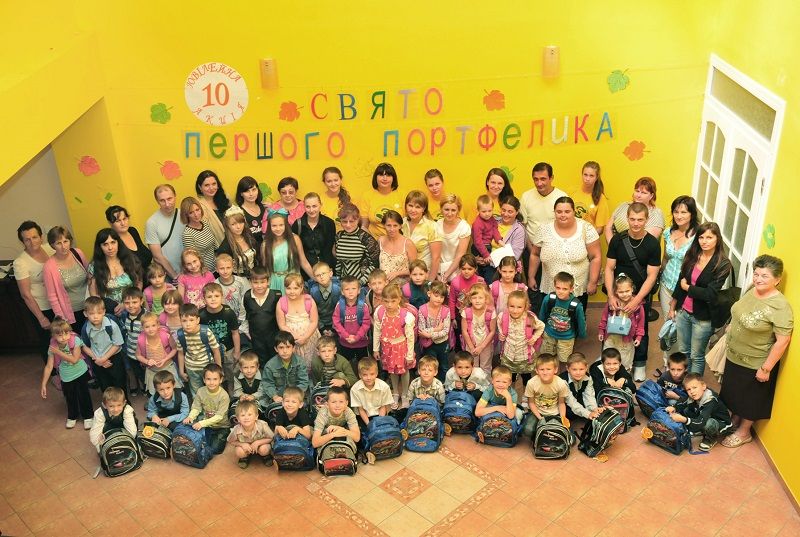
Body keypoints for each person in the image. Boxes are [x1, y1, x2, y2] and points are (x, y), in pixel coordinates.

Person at [720, 255, 793, 448]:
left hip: (755, 362)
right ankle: (735, 420)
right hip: (735, 355)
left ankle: (744, 432)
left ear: (777, 279)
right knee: (734, 393)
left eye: (764, 276)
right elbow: (740, 312)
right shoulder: (752, 290)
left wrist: (766, 368)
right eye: (756, 274)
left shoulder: (780, 306)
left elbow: (783, 340)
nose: (758, 279)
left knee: (750, 399)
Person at [604, 202, 661, 381]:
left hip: (640, 294)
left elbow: (652, 275)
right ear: (627, 218)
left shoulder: (652, 244)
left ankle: (639, 363)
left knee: (640, 327)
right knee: (612, 324)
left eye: (640, 220)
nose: (636, 223)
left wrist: (637, 300)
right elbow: (609, 268)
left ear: (647, 220)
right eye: (632, 219)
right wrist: (611, 295)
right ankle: (609, 358)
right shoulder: (617, 240)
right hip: (618, 292)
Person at [668, 222, 732, 374]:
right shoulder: (692, 255)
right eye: (701, 237)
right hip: (683, 312)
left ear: (717, 239)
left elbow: (709, 294)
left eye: (709, 237)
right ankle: (684, 382)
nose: (704, 241)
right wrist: (672, 307)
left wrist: (687, 288)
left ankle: (694, 385)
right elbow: (680, 280)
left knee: (696, 355)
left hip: (703, 317)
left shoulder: (723, 264)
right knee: (684, 351)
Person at [528, 196, 601, 313]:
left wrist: (592, 282)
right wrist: (531, 277)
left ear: (574, 211)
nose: (563, 215)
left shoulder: (586, 228)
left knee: (576, 319)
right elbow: (535, 254)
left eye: (567, 211)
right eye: (559, 212)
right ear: (554, 212)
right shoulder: (544, 229)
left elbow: (595, 257)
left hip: (577, 288)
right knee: (550, 318)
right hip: (550, 287)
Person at [659, 196, 698, 363]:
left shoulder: (698, 236)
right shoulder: (668, 232)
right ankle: (668, 363)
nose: (679, 216)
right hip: (666, 284)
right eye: (676, 212)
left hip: (685, 289)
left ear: (692, 214)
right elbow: (666, 257)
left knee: (682, 327)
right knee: (669, 324)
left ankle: (682, 364)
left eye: (684, 212)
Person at [40, 318, 93, 429]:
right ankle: (72, 416)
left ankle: (88, 416)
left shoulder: (75, 340)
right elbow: (49, 366)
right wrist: (43, 384)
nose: (64, 337)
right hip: (66, 376)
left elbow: (74, 359)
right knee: (69, 396)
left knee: (83, 395)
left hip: (80, 372)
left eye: (66, 333)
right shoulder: (53, 346)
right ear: (54, 336)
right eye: (60, 335)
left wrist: (58, 352)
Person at [14, 221, 54, 362]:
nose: (32, 242)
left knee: (65, 339)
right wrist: (41, 318)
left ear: (41, 237)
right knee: (49, 343)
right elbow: (25, 294)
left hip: (58, 302)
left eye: (35, 237)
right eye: (27, 239)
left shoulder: (50, 249)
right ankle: (52, 371)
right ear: (23, 242)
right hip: (42, 308)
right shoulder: (21, 262)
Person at [373, 284, 416, 409]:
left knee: (404, 371)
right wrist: (376, 348)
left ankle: (405, 394)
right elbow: (377, 330)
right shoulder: (380, 312)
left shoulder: (406, 316)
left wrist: (409, 355)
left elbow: (410, 337)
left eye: (393, 301)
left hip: (401, 347)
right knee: (392, 370)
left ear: (399, 299)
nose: (389, 304)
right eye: (386, 301)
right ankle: (396, 393)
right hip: (387, 348)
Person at [667, 373, 733, 451]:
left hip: (722, 424)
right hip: (705, 417)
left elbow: (701, 421)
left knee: (709, 424)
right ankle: (699, 430)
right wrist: (674, 407)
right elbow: (683, 402)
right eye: (688, 389)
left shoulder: (710, 400)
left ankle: (710, 438)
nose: (692, 391)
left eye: (694, 387)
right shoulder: (694, 395)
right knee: (687, 410)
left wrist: (684, 420)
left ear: (703, 386)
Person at [43, 226, 89, 333]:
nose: (63, 246)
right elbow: (52, 297)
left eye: (65, 241)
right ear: (52, 245)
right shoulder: (49, 266)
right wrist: (62, 320)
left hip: (90, 307)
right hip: (72, 313)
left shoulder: (78, 253)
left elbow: (91, 276)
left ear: (70, 241)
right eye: (58, 243)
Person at [88, 228, 142, 315]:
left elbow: (138, 283)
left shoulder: (131, 259)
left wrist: (125, 304)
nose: (110, 248)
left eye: (113, 242)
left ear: (118, 243)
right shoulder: (94, 266)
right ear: (100, 247)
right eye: (105, 244)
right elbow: (94, 294)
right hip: (109, 311)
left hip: (132, 307)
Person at [538, 272, 587, 366]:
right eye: (558, 288)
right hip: (549, 334)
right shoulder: (549, 299)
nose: (561, 291)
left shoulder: (576, 305)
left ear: (571, 289)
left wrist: (582, 335)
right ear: (554, 286)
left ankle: (562, 374)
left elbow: (581, 322)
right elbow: (542, 315)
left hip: (566, 337)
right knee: (546, 358)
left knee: (564, 361)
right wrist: (540, 330)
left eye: (565, 289)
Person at [260, 209, 314, 294]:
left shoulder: (295, 239)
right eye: (274, 226)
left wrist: (315, 278)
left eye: (281, 225)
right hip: (274, 282)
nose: (278, 228)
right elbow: (265, 268)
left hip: (293, 280)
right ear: (269, 226)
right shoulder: (265, 245)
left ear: (286, 225)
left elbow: (303, 262)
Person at [81, 296, 127, 397]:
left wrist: (104, 359)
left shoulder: (112, 325)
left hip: (114, 358)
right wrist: (98, 359)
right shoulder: (86, 328)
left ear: (104, 312)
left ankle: (124, 404)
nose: (95, 317)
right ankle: (108, 404)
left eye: (99, 313)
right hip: (97, 360)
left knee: (120, 383)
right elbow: (84, 346)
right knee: (105, 385)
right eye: (91, 314)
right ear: (85, 314)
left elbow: (117, 344)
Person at [496, 290, 544, 385]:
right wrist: (501, 333)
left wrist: (534, 338)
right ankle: (511, 390)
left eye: (519, 307)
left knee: (526, 377)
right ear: (507, 305)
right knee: (511, 377)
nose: (515, 310)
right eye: (512, 306)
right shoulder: (503, 316)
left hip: (525, 355)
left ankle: (526, 392)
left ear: (525, 307)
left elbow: (541, 326)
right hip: (509, 354)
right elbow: (499, 323)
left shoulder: (530, 318)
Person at [598, 274, 645, 371]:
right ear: (615, 291)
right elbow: (604, 318)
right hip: (610, 338)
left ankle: (624, 374)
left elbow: (641, 323)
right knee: (608, 356)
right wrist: (601, 331)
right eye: (621, 292)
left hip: (626, 340)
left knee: (625, 360)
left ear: (632, 289)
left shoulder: (638, 306)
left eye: (627, 291)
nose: (624, 294)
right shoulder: (612, 303)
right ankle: (607, 374)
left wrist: (639, 337)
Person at [182, 363, 230, 454]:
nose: (211, 382)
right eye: (208, 379)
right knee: (199, 443)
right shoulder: (201, 391)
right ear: (204, 379)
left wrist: (201, 423)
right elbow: (196, 407)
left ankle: (225, 435)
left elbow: (219, 417)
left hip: (221, 426)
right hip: (207, 425)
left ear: (220, 380)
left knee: (215, 449)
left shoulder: (224, 396)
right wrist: (190, 417)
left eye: (215, 379)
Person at [176, 303, 222, 397]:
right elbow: (180, 354)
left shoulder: (206, 332)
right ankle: (199, 406)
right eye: (184, 321)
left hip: (208, 366)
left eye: (191, 320)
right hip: (191, 368)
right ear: (180, 321)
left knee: (212, 389)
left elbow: (216, 351)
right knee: (196, 392)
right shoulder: (181, 335)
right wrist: (181, 371)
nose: (188, 324)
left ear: (197, 320)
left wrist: (219, 369)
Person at [277, 274, 321, 371]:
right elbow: (281, 324)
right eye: (288, 288)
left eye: (295, 288)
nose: (292, 291)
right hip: (292, 339)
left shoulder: (308, 300)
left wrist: (305, 337)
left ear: (301, 288)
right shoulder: (281, 302)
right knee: (296, 364)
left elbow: (314, 321)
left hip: (310, 337)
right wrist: (294, 336)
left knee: (312, 361)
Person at [200, 282, 241, 387]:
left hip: (229, 350)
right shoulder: (201, 315)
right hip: (211, 351)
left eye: (216, 296)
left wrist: (237, 351)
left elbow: (235, 333)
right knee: (214, 376)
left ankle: (232, 394)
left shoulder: (229, 312)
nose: (213, 299)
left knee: (232, 375)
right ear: (204, 299)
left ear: (222, 297)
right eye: (209, 297)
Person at [519, 162, 567, 250]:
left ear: (551, 178)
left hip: (556, 248)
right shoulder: (526, 197)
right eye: (536, 179)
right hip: (530, 247)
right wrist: (531, 250)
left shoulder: (562, 197)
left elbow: (567, 226)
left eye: (543, 179)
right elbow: (522, 226)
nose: (539, 183)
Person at [145, 184, 186, 281]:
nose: (167, 204)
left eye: (169, 199)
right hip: (167, 276)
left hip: (189, 270)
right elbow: (157, 256)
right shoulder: (152, 222)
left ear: (175, 196)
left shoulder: (184, 215)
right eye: (162, 200)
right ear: (157, 201)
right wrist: (175, 277)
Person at [605, 177, 665, 242]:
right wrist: (612, 245)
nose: (638, 195)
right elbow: (608, 228)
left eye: (643, 193)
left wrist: (620, 247)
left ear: (651, 195)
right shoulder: (623, 206)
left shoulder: (656, 213)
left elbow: (647, 240)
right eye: (637, 191)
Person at [136, 312, 182, 397]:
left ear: (158, 325)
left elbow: (174, 349)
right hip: (152, 371)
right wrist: (147, 361)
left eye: (153, 325)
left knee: (174, 392)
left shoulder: (165, 335)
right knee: (156, 394)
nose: (150, 329)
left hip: (168, 368)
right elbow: (138, 355)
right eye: (147, 327)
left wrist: (165, 359)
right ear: (142, 328)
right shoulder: (141, 340)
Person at [242, 267, 280, 367]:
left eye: (262, 282)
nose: (259, 286)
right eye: (255, 282)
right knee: (261, 361)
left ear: (268, 281)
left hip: (273, 337)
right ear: (250, 282)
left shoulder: (276, 295)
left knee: (276, 361)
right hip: (256, 338)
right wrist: (248, 333)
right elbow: (245, 316)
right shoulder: (247, 296)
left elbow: (281, 316)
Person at [334, 203, 380, 285]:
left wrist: (360, 282)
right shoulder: (339, 236)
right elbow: (339, 262)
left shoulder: (366, 238)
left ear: (358, 220)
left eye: (351, 221)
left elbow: (374, 265)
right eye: (344, 221)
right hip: (344, 284)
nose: (348, 225)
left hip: (362, 284)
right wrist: (338, 280)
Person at [332, 276, 371, 370]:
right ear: (342, 291)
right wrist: (346, 336)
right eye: (347, 289)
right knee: (346, 364)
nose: (350, 292)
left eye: (353, 288)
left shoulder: (363, 306)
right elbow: (336, 322)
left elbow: (366, 324)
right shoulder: (339, 306)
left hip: (361, 343)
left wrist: (357, 337)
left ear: (358, 290)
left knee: (363, 365)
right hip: (345, 343)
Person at [524, 354, 570, 431]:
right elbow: (531, 403)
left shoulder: (561, 383)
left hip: (555, 413)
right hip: (537, 412)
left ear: (555, 370)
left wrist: (563, 418)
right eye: (542, 369)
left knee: (561, 431)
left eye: (548, 369)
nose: (545, 372)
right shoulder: (531, 383)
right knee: (527, 430)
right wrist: (540, 418)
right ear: (536, 370)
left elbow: (561, 403)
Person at [358, 162, 405, 237]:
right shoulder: (367, 195)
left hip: (396, 240)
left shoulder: (402, 195)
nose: (385, 178)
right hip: (374, 240)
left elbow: (406, 223)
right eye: (381, 175)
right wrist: (370, 242)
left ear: (393, 178)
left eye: (388, 175)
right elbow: (364, 226)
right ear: (375, 177)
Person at [262, 331, 310, 403]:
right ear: (276, 349)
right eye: (281, 347)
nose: (285, 351)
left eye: (288, 347)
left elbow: (303, 381)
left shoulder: (300, 362)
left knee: (304, 404)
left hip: (296, 397)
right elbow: (268, 383)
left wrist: (295, 396)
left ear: (293, 348)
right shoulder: (270, 365)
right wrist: (275, 396)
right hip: (279, 398)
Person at [292, 192, 336, 270]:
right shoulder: (298, 225)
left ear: (320, 205)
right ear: (304, 207)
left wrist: (325, 271)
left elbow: (328, 250)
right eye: (308, 207)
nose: (311, 210)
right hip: (305, 269)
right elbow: (296, 251)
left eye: (314, 206)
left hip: (325, 269)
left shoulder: (329, 223)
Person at [403, 190, 441, 279]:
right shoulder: (402, 223)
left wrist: (430, 281)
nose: (413, 210)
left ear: (424, 209)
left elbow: (436, 258)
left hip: (423, 275)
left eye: (418, 207)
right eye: (410, 205)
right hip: (404, 274)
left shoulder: (432, 226)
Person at [417, 280, 451, 380]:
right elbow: (421, 330)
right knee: (430, 365)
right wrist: (437, 329)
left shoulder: (446, 310)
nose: (439, 299)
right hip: (428, 345)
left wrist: (429, 335)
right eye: (436, 296)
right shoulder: (422, 309)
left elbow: (445, 331)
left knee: (443, 366)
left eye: (442, 297)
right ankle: (430, 384)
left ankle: (443, 385)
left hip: (442, 343)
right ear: (429, 294)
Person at [461, 283, 497, 377]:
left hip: (486, 344)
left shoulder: (491, 312)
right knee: (473, 366)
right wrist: (471, 347)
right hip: (471, 344)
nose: (477, 301)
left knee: (486, 367)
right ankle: (474, 383)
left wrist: (481, 347)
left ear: (486, 299)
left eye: (480, 298)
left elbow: (492, 331)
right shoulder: (466, 312)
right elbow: (464, 331)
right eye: (474, 298)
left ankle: (486, 384)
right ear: (470, 299)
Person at [311, 385, 360, 451]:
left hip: (342, 432)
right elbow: (314, 443)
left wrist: (340, 429)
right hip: (326, 433)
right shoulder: (323, 414)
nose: (337, 405)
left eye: (341, 402)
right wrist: (334, 434)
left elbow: (357, 437)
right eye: (333, 402)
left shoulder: (348, 412)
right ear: (327, 404)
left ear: (346, 403)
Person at [227, 399, 274, 468]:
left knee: (264, 449)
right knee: (239, 451)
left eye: (249, 414)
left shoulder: (262, 425)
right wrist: (242, 444)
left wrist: (258, 442)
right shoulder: (236, 429)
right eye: (243, 415)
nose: (246, 418)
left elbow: (271, 437)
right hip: (246, 447)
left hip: (260, 445)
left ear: (256, 416)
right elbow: (231, 441)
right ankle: (244, 458)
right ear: (238, 419)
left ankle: (266, 456)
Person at [105, 205, 152, 273]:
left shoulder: (132, 231)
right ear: (110, 223)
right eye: (118, 221)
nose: (123, 223)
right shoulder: (112, 241)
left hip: (151, 276)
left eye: (124, 219)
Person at [435, 194, 471, 282]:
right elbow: (434, 254)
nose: (449, 213)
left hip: (456, 269)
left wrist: (446, 275)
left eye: (453, 210)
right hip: (438, 269)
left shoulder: (464, 227)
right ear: (441, 209)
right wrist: (437, 274)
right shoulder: (437, 225)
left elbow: (460, 255)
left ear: (458, 210)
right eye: (446, 209)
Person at [89, 387, 137, 452]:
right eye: (111, 406)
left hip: (124, 428)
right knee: (101, 429)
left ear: (124, 403)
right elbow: (94, 433)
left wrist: (126, 443)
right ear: (104, 405)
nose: (116, 409)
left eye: (119, 405)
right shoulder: (99, 413)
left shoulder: (127, 410)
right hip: (109, 430)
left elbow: (132, 431)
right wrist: (101, 448)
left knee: (134, 423)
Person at [215, 253, 251, 339]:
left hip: (243, 319)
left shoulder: (241, 281)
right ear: (216, 269)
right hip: (226, 319)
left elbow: (247, 299)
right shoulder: (215, 285)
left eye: (228, 267)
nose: (225, 271)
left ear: (233, 267)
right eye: (222, 268)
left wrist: (242, 319)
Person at [350, 357, 393, 427]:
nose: (369, 378)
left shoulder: (384, 387)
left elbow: (383, 407)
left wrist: (379, 423)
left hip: (379, 414)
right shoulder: (355, 389)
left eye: (372, 374)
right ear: (360, 375)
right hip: (363, 416)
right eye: (365, 375)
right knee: (363, 432)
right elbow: (360, 409)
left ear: (376, 373)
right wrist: (369, 425)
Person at [180, 196, 220, 273]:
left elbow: (215, 245)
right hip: (203, 272)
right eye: (191, 212)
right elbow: (192, 259)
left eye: (197, 210)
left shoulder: (205, 223)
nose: (196, 214)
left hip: (216, 268)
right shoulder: (187, 234)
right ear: (186, 215)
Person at [216, 206, 258, 277]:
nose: (238, 227)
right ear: (227, 226)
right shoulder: (225, 247)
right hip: (238, 279)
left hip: (254, 277)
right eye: (233, 224)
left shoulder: (249, 237)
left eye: (241, 222)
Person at [569, 161, 610, 235]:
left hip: (588, 238)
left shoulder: (601, 198)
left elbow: (600, 229)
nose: (587, 179)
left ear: (596, 177)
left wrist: (586, 238)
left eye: (591, 176)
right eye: (585, 175)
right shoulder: (572, 191)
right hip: (569, 235)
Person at [121, 287, 147, 396]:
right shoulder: (124, 315)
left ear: (141, 301)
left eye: (134, 302)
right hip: (131, 351)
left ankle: (146, 387)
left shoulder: (146, 316)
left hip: (144, 353)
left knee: (145, 373)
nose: (131, 305)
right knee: (136, 370)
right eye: (127, 303)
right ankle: (140, 385)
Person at [472, 194, 505, 282]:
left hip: (488, 245)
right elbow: (478, 241)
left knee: (490, 266)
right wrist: (485, 254)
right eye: (484, 211)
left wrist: (499, 240)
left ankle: (489, 282)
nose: (487, 214)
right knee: (486, 268)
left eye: (489, 211)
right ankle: (487, 283)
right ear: (478, 210)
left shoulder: (491, 219)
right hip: (479, 247)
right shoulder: (477, 224)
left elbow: (494, 229)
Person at [559, 353, 600, 422]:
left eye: (581, 369)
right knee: (569, 413)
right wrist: (588, 414)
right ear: (568, 369)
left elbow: (589, 395)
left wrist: (594, 409)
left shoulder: (588, 377)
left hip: (577, 396)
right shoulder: (562, 381)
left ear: (586, 368)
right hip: (564, 402)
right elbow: (571, 402)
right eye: (574, 369)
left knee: (594, 398)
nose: (578, 373)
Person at [378, 210, 416, 285]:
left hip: (402, 286)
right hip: (383, 286)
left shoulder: (408, 243)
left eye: (395, 225)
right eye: (388, 225)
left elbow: (415, 269)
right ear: (383, 225)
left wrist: (397, 273)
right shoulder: (380, 240)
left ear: (400, 226)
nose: (392, 229)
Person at [194, 169, 230, 244]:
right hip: (216, 247)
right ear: (200, 187)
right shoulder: (198, 206)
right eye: (207, 185)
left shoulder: (225, 198)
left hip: (234, 243)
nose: (211, 188)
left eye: (214, 184)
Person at [308, 261, 339, 339]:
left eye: (323, 273)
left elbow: (340, 311)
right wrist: (322, 328)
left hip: (336, 324)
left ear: (330, 273)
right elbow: (313, 312)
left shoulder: (338, 290)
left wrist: (334, 328)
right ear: (315, 278)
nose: (321, 277)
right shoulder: (313, 292)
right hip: (319, 324)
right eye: (318, 275)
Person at [235, 175, 266, 246]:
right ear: (241, 194)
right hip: (251, 250)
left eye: (254, 190)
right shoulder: (238, 213)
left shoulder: (263, 207)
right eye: (247, 191)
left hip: (267, 248)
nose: (251, 194)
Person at [497, 196, 527, 266]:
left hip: (506, 268)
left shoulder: (519, 230)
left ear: (517, 212)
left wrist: (490, 260)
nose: (505, 214)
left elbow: (515, 255)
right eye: (503, 210)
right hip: (485, 263)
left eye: (510, 212)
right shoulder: (493, 222)